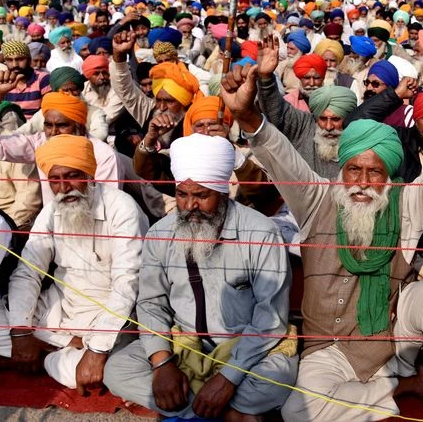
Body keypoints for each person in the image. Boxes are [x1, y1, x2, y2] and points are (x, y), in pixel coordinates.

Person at [220, 46, 423, 420]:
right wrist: (246, 115)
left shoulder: (405, 204)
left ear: (390, 176)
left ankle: (395, 378)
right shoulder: (317, 199)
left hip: (393, 341)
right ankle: (402, 388)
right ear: (341, 170)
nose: (363, 183)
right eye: (354, 171)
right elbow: (279, 155)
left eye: (375, 172)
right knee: (299, 413)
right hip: (328, 349)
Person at [104, 134, 297, 421]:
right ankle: (231, 411)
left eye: (201, 196)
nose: (190, 206)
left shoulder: (261, 232)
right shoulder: (161, 232)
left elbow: (270, 318)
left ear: (221, 193)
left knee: (276, 377)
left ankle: (207, 404)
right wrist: (162, 364)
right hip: (185, 346)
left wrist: (228, 378)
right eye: (182, 194)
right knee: (117, 369)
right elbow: (151, 304)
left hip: (247, 350)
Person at [0, 134, 147, 390]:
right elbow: (27, 273)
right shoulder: (52, 210)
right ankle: (52, 352)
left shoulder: (122, 209)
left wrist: (96, 349)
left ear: (88, 174)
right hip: (59, 309)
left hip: (105, 315)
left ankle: (37, 358)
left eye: (72, 176)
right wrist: (20, 331)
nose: (64, 188)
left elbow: (127, 284)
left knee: (105, 370)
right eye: (55, 180)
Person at [0, 71, 123, 204]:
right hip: (53, 228)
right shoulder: (40, 143)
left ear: (81, 127)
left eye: (62, 125)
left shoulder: (103, 155)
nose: (53, 132)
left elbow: (107, 205)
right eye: (48, 125)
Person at [255, 39, 358, 178]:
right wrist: (265, 77)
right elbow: (276, 110)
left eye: (335, 119)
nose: (328, 126)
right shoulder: (304, 125)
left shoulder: (357, 137)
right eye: (322, 118)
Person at [0, 41, 51, 120]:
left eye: (20, 59)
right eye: (10, 60)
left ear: (29, 60)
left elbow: (48, 110)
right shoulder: (2, 81)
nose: (15, 64)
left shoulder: (43, 79)